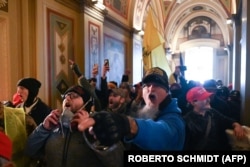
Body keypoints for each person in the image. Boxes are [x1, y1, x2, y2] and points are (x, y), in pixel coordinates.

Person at [76, 67, 186, 150]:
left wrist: (127, 124)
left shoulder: (175, 120)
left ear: (167, 91)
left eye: (157, 84)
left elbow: (161, 133)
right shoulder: (144, 113)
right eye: (147, 85)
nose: (151, 88)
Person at [24, 85, 124, 167]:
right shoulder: (53, 125)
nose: (67, 98)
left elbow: (118, 161)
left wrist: (92, 135)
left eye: (74, 96)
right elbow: (29, 150)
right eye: (65, 96)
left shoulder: (98, 126)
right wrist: (43, 128)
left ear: (86, 105)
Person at [183, 86, 245, 150]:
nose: (208, 100)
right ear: (193, 102)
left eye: (207, 97)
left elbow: (226, 120)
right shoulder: (186, 122)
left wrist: (236, 124)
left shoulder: (212, 113)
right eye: (204, 98)